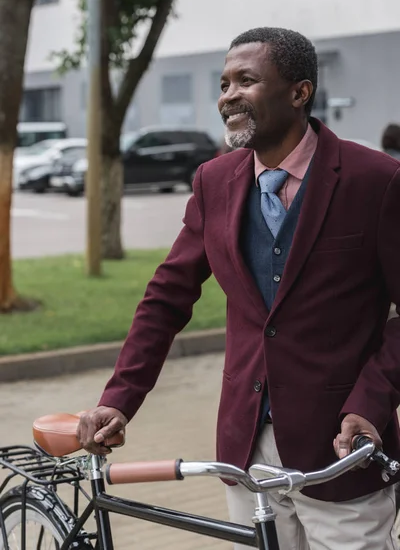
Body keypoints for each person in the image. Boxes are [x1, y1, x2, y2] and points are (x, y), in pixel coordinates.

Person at [77, 27, 400, 549]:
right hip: (245, 449)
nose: (227, 95)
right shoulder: (213, 181)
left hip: (342, 454)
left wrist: (371, 403)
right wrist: (121, 398)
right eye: (224, 83)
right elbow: (167, 297)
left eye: (245, 80)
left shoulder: (376, 181)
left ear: (300, 92)